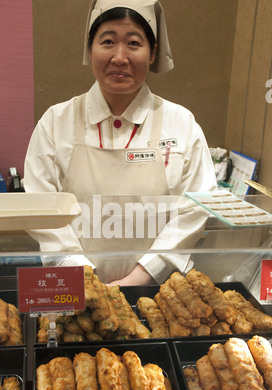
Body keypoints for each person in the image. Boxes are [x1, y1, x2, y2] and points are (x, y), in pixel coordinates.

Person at [24, 0, 217, 285]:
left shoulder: (181, 123)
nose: (119, 57)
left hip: (157, 293)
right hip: (74, 290)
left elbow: (198, 207)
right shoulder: (55, 122)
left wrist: (140, 277)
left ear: (152, 54)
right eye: (108, 41)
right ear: (90, 50)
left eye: (134, 43)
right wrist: (85, 279)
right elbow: (40, 209)